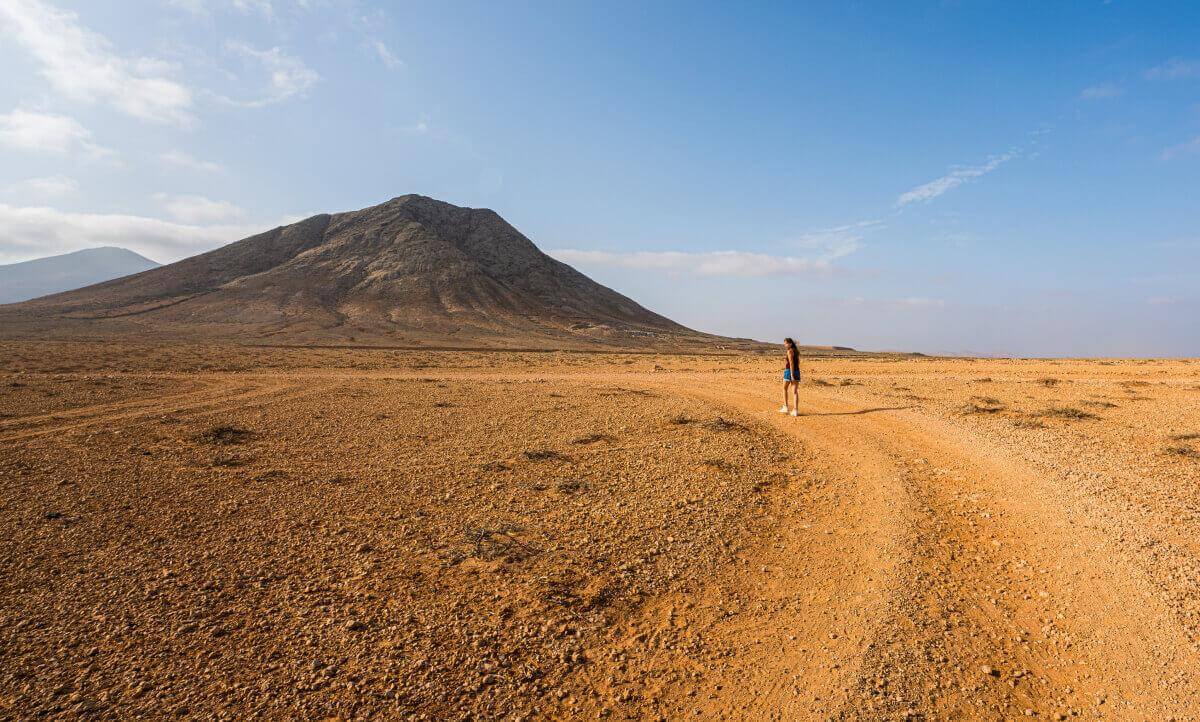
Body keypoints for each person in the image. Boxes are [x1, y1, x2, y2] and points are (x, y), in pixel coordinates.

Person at [779, 337, 800, 416]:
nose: (785, 345)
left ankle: (785, 407)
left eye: (786, 343)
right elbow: (797, 362)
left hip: (789, 371)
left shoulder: (790, 351)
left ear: (790, 343)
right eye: (784, 343)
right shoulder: (796, 351)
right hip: (797, 371)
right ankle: (795, 410)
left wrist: (791, 375)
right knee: (795, 392)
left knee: (784, 388)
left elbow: (791, 363)